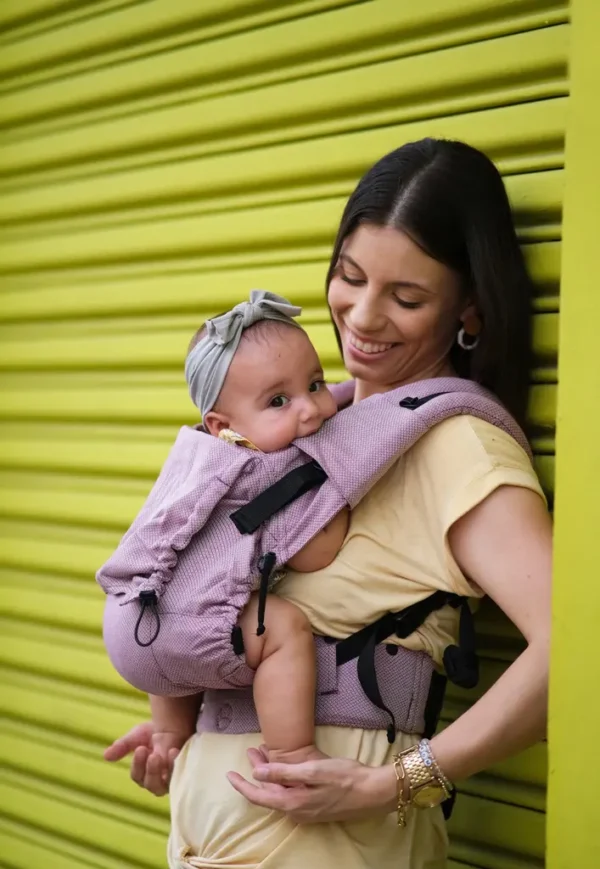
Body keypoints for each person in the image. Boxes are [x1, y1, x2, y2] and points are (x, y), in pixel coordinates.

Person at [104, 138, 551, 869]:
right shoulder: (306, 433)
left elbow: (574, 647)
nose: (364, 317)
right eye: (350, 278)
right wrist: (177, 729)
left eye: (406, 298)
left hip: (336, 842)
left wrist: (396, 784)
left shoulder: (455, 445)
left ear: (468, 311)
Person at [143, 295, 349, 769]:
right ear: (223, 427)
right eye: (278, 401)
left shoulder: (195, 463)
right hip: (183, 624)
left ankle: (169, 736)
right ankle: (290, 754)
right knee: (283, 628)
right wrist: (338, 498)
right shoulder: (264, 472)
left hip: (146, 626)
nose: (311, 410)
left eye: (316, 384)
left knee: (175, 623)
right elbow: (313, 555)